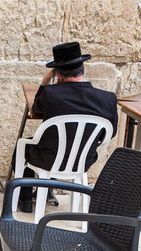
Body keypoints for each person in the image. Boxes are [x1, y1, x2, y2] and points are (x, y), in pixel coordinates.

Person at [16, 42, 118, 212]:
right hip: (83, 161)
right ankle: (45, 192)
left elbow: (36, 108)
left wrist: (45, 81)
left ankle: (25, 201)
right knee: (55, 147)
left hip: (47, 159)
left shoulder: (50, 93)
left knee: (24, 145)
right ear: (84, 68)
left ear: (59, 76)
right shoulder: (108, 99)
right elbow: (110, 133)